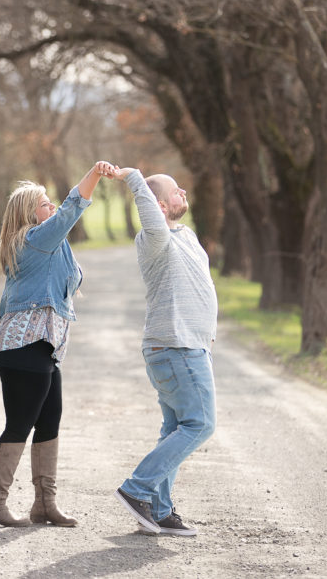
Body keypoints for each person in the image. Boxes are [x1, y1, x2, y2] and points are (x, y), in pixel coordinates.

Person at [0, 161, 116, 529]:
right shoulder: (34, 239)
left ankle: (44, 505)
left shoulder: (49, 245)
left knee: (49, 420)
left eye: (49, 202)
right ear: (29, 213)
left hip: (42, 347)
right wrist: (94, 173)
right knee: (20, 423)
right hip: (22, 345)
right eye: (44, 203)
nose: (51, 207)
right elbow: (73, 208)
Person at [112, 167, 217, 537]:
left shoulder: (185, 234)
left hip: (190, 345)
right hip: (175, 348)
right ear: (158, 204)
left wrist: (207, 332)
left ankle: (159, 509)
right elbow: (152, 220)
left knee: (175, 427)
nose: (183, 191)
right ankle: (137, 488)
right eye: (175, 191)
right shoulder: (154, 239)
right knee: (201, 423)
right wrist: (135, 178)